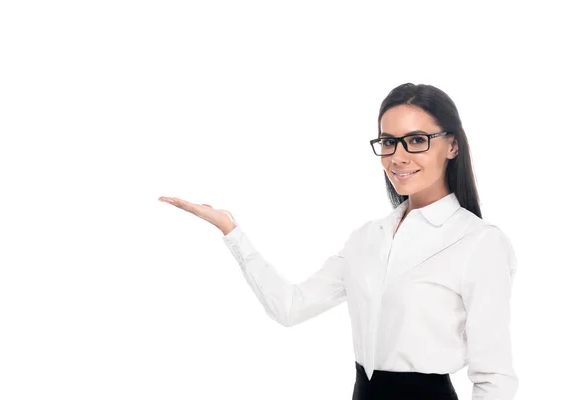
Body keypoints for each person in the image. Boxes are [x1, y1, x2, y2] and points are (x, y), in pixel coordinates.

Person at [158, 83, 519, 400]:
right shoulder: (366, 239)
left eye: (416, 140)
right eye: (389, 142)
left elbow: (494, 378)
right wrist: (231, 230)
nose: (398, 156)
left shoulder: (479, 243)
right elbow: (290, 307)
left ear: (452, 145)